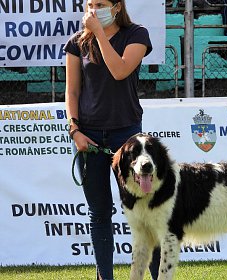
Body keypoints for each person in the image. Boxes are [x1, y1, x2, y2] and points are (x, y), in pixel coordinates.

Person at [63, 1, 160, 279]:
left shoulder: (136, 35)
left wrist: (100, 34)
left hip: (127, 135)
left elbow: (119, 70)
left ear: (117, 7)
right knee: (100, 212)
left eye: (101, 4)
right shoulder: (76, 43)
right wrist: (75, 130)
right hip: (88, 137)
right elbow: (72, 93)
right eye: (90, 4)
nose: (94, 9)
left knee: (143, 210)